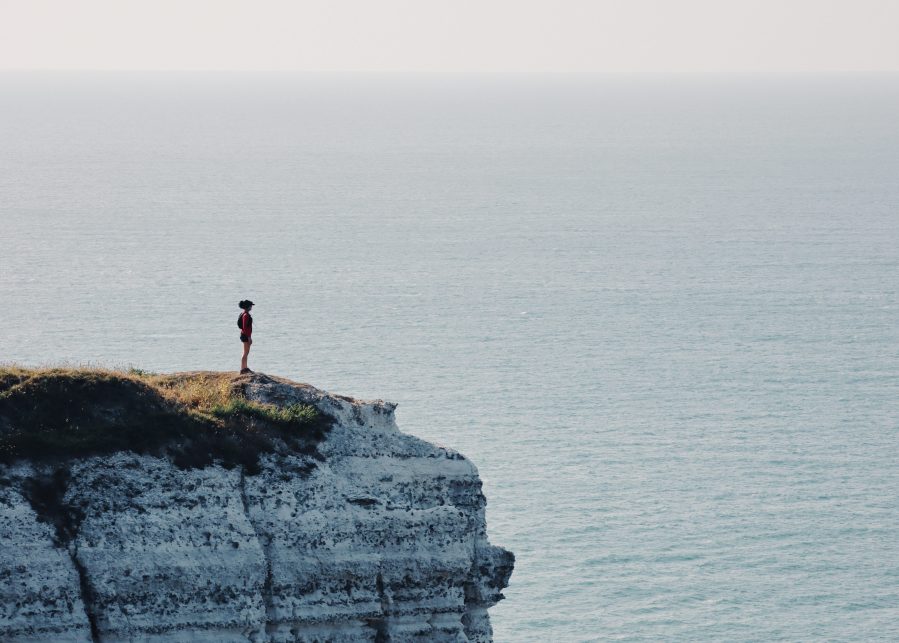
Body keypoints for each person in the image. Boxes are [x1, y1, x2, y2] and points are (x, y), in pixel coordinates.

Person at [238, 300, 254, 374]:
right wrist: (249, 337)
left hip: (245, 335)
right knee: (245, 352)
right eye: (251, 306)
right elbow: (245, 328)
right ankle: (243, 368)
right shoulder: (246, 315)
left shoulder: (244, 314)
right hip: (245, 336)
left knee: (246, 352)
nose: (251, 307)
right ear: (248, 306)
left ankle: (245, 367)